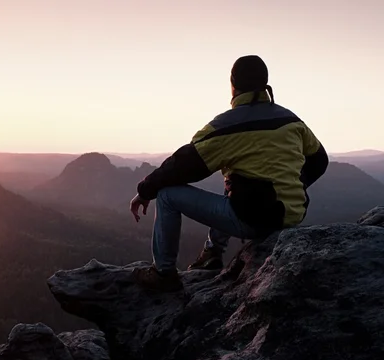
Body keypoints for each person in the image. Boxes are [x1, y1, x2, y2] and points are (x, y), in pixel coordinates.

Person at [129, 55, 329, 292]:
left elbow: (182, 165)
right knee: (236, 178)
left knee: (167, 196)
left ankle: (164, 274)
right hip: (293, 214)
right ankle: (212, 253)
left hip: (255, 220)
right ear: (265, 83)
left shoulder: (226, 126)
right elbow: (319, 160)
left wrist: (145, 191)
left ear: (233, 85)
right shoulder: (291, 120)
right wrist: (294, 183)